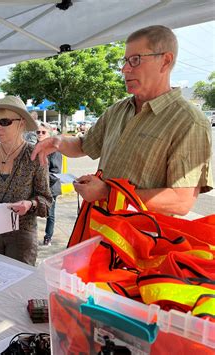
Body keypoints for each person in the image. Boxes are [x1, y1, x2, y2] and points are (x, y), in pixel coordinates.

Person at [32, 25, 213, 216]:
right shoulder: (118, 109)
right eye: (125, 60)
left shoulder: (189, 122)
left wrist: (107, 192)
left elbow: (180, 201)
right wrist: (58, 141)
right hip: (100, 229)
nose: (124, 69)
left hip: (141, 239)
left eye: (135, 60)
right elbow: (85, 145)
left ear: (165, 61)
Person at [0, 96, 52, 266]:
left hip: (21, 237)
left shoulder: (34, 156)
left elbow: (46, 201)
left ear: (21, 123)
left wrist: (30, 205)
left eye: (5, 121)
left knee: (18, 288)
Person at [36, 121, 62, 246]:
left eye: (43, 132)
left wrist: (40, 180)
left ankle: (48, 237)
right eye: (38, 132)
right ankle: (30, 235)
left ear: (49, 134)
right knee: (32, 211)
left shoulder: (55, 150)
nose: (40, 134)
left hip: (50, 188)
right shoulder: (35, 147)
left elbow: (56, 173)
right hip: (36, 187)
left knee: (50, 214)